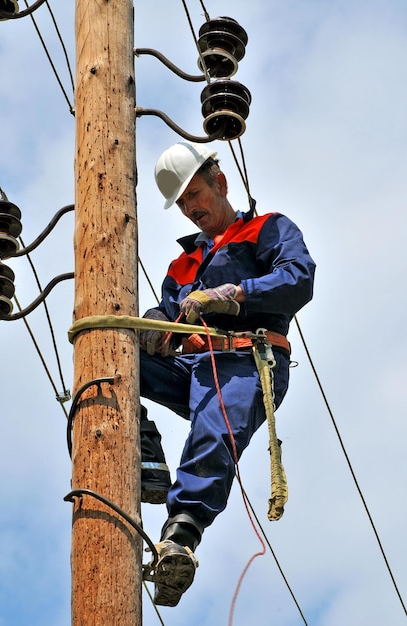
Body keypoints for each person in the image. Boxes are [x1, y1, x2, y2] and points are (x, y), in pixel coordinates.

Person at [139, 141, 316, 607]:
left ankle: (181, 535)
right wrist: (154, 328)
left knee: (216, 426)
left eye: (195, 195)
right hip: (196, 366)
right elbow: (168, 311)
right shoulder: (182, 265)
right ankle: (143, 452)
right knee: (113, 354)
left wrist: (234, 293)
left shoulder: (266, 229)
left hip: (249, 360)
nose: (190, 208)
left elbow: (298, 278)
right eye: (181, 203)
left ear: (220, 183)